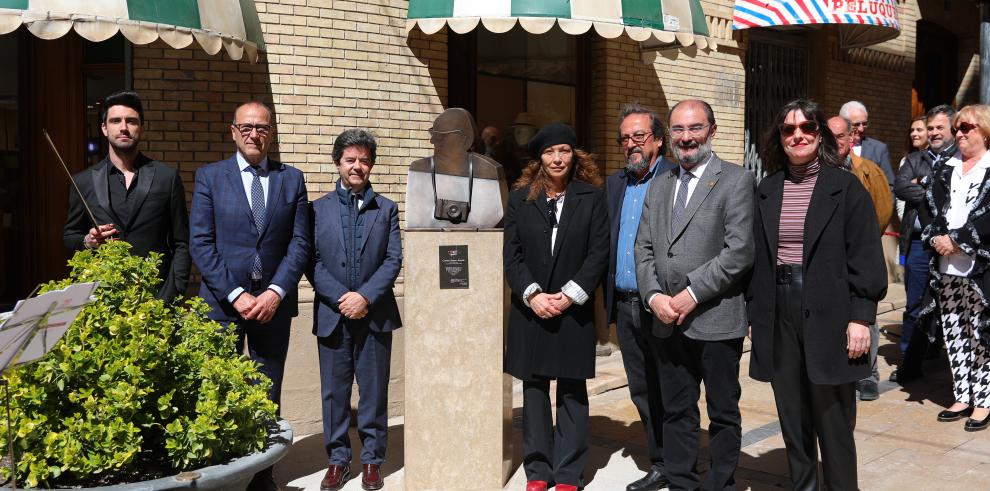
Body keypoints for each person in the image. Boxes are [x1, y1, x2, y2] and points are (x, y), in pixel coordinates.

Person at [748, 98, 887, 490]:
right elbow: (759, 261)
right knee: (793, 419)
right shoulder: (768, 188)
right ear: (779, 137)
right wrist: (756, 317)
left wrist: (861, 317)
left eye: (807, 128)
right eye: (789, 129)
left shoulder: (844, 188)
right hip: (779, 310)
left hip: (830, 311)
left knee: (833, 422)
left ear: (820, 135)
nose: (798, 136)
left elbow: (866, 258)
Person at [189, 101, 310, 491]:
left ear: (271, 133)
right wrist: (237, 293)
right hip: (223, 305)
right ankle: (223, 471)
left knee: (267, 389)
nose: (253, 134)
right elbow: (201, 243)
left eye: (261, 128)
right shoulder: (210, 177)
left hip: (274, 305)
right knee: (217, 388)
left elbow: (300, 243)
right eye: (246, 127)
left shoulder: (291, 179)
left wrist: (276, 291)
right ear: (233, 131)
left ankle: (262, 474)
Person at [634, 99, 755, 490]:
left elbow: (738, 253)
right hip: (666, 320)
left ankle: (720, 484)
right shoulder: (660, 183)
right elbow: (644, 248)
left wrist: (690, 294)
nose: (686, 138)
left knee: (722, 412)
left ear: (712, 131)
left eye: (695, 128)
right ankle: (682, 481)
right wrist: (654, 297)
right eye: (678, 130)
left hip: (716, 319)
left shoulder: (735, 180)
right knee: (676, 411)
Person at [504, 123, 608, 491]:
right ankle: (538, 471)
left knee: (572, 393)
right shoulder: (520, 200)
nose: (557, 158)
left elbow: (599, 252)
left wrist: (569, 295)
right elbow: (511, 255)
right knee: (533, 393)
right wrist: (533, 295)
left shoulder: (592, 198)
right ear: (540, 159)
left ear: (574, 156)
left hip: (572, 312)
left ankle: (567, 473)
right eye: (550, 152)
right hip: (530, 310)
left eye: (564, 150)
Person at [309, 130, 402, 490]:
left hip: (375, 315)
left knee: (374, 391)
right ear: (338, 163)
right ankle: (337, 460)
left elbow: (393, 260)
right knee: (334, 393)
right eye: (350, 160)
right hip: (333, 316)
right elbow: (311, 261)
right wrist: (341, 298)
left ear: (371, 165)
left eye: (364, 160)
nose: (357, 166)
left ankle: (372, 460)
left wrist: (364, 297)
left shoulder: (387, 209)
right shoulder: (317, 209)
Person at [605, 103, 675, 491]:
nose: (631, 144)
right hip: (626, 304)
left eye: (639, 137)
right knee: (641, 387)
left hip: (663, 304)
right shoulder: (616, 184)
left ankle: (679, 462)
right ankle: (661, 461)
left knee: (672, 386)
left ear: (658, 141)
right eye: (625, 139)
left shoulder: (674, 177)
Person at [63, 90, 190, 302]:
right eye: (115, 121)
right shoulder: (83, 181)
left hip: (157, 298)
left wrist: (172, 294)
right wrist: (88, 240)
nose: (123, 127)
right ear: (104, 128)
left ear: (141, 126)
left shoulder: (166, 177)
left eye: (131, 121)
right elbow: (69, 236)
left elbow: (182, 243)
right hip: (103, 299)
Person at [921, 104, 990, 432]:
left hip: (981, 268)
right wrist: (936, 236)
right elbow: (929, 208)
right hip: (946, 266)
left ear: (985, 131)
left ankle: (984, 400)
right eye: (958, 128)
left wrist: (960, 240)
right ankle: (962, 394)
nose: (959, 133)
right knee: (954, 331)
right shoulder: (945, 167)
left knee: (981, 333)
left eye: (967, 128)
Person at [828, 115, 892, 402]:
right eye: (829, 136)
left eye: (840, 136)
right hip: (828, 262)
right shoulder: (816, 170)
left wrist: (861, 241)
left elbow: (883, 208)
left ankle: (868, 375)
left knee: (865, 316)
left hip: (860, 256)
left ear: (851, 138)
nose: (835, 142)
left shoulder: (869, 171)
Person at [893, 104, 958, 384]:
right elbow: (901, 188)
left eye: (938, 127)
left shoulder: (962, 158)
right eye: (929, 128)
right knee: (915, 304)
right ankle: (910, 360)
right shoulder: (913, 159)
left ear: (952, 129)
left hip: (954, 246)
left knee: (953, 304)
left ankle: (954, 364)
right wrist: (934, 186)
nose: (932, 132)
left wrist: (926, 185)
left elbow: (955, 195)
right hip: (919, 245)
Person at [840, 100, 895, 186]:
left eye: (864, 124)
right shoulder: (833, 147)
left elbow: (889, 184)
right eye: (856, 124)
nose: (861, 129)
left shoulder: (879, 149)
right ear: (843, 123)